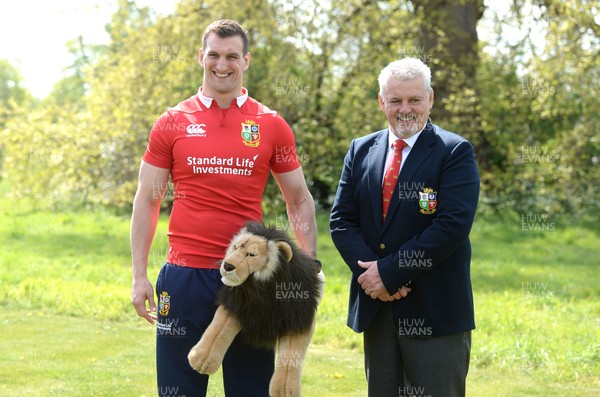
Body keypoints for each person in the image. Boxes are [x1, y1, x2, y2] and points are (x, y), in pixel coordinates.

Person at [130, 19, 317, 397]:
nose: (222, 64)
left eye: (232, 56)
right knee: (177, 390)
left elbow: (297, 198)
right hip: (183, 278)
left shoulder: (271, 125)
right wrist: (139, 274)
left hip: (250, 279)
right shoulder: (171, 122)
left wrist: (306, 266)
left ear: (245, 61)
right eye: (214, 54)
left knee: (250, 390)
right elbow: (148, 198)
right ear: (201, 57)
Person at [330, 57, 480, 397]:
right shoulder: (360, 150)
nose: (405, 109)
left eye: (414, 99)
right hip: (378, 309)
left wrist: (390, 273)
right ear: (382, 102)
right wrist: (374, 280)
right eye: (396, 100)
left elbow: (451, 226)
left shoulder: (454, 151)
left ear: (430, 99)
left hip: (435, 311)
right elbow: (341, 222)